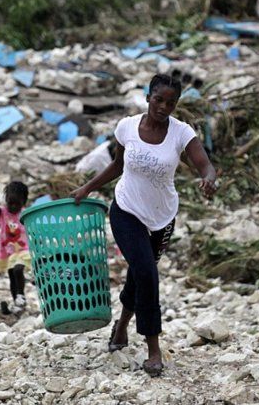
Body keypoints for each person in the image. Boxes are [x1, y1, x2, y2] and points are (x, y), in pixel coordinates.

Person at [71, 73, 217, 377]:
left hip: (162, 217)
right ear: (148, 97)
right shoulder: (127, 127)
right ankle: (153, 349)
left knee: (141, 273)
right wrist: (87, 188)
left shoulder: (181, 132)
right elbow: (117, 165)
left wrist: (209, 179)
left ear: (176, 105)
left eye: (170, 103)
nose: (163, 107)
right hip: (126, 209)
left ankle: (122, 325)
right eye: (158, 99)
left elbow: (204, 164)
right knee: (147, 274)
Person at [0, 181, 32, 315]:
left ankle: (21, 295)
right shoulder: (3, 212)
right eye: (10, 203)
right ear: (6, 201)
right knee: (12, 276)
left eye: (17, 204)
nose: (13, 206)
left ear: (24, 202)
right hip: (8, 251)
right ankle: (17, 302)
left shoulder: (25, 214)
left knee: (18, 270)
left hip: (23, 250)